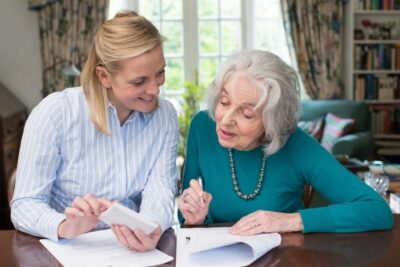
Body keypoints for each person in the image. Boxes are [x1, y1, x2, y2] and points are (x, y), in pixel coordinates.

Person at [11, 11, 179, 252]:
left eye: (160, 73)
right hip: (68, 250)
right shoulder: (55, 114)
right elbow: (25, 204)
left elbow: (160, 190)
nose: (154, 89)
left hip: (131, 252)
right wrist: (64, 226)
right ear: (104, 76)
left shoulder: (165, 116)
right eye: (139, 81)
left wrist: (151, 227)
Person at [178, 50, 393, 234]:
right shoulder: (202, 127)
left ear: (273, 120)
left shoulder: (297, 145)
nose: (225, 120)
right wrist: (193, 217)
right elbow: (185, 214)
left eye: (246, 114)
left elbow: (376, 210)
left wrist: (289, 221)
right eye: (224, 102)